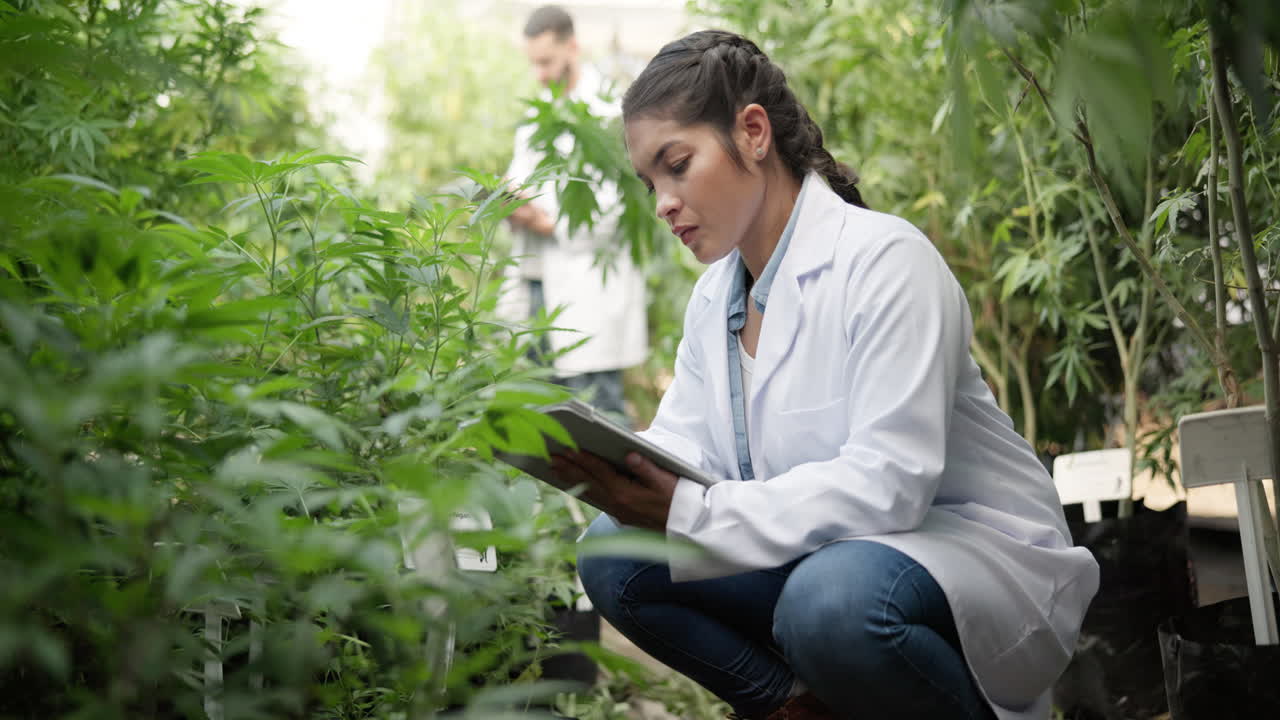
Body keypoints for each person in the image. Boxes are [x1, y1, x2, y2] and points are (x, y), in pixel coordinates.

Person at [550, 30, 1100, 720]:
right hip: (830, 558)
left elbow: (892, 484)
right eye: (650, 181)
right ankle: (796, 706)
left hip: (967, 552)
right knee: (614, 552)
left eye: (678, 165)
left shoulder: (886, 263)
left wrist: (690, 512)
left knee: (829, 603)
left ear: (753, 132)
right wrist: (626, 469)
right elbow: (692, 450)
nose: (662, 201)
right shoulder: (715, 301)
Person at [499, 4, 648, 419]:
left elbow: (612, 210)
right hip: (537, 286)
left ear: (573, 47)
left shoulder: (608, 114)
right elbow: (521, 177)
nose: (540, 74)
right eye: (534, 64)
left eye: (546, 61)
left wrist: (544, 222)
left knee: (597, 418)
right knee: (545, 422)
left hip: (588, 290)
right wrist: (509, 202)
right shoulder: (537, 113)